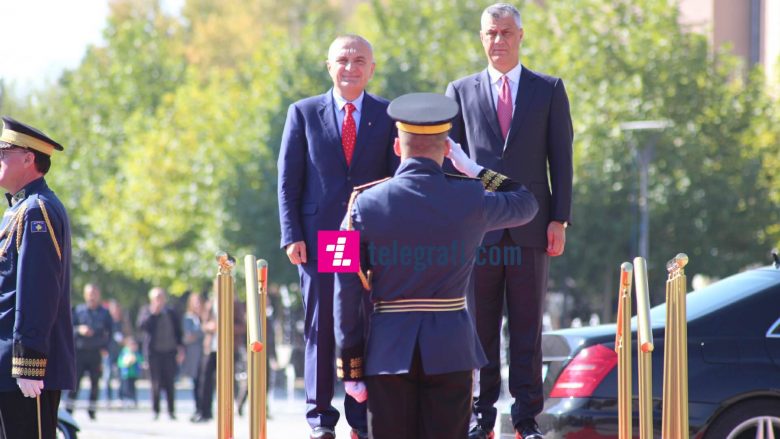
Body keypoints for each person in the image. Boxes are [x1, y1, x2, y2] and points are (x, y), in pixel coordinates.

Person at [334, 93, 539, 439]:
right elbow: (527, 201)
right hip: (453, 349)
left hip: (387, 353)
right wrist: (474, 170)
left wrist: (351, 364)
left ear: (398, 148)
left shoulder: (361, 202)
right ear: (446, 148)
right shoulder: (471, 196)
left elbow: (340, 284)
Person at [445, 4, 574, 438]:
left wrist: (560, 219)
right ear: (481, 38)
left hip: (532, 227)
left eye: (505, 32)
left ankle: (525, 419)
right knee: (478, 329)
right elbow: (450, 165)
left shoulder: (548, 89)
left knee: (526, 329)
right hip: (478, 231)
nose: (497, 40)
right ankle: (481, 417)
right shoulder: (459, 91)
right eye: (490, 33)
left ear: (520, 36)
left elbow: (562, 159)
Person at [277, 33, 398, 439]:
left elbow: (395, 181)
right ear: (329, 66)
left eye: (359, 60)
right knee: (321, 327)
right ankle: (320, 418)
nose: (351, 67)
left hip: (368, 240)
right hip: (321, 237)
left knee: (363, 326)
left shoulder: (387, 114)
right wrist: (291, 234)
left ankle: (360, 418)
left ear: (372, 68)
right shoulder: (304, 113)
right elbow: (288, 181)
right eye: (343, 60)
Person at [0, 116, 75, 438]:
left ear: (29, 158)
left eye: (3, 151)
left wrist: (29, 363)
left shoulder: (37, 210)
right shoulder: (19, 208)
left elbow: (37, 292)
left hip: (25, 371)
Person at [66, 283, 113, 419]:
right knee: (74, 383)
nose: (92, 296)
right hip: (79, 352)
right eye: (90, 293)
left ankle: (92, 412)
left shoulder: (104, 313)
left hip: (95, 352)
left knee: (95, 383)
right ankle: (69, 410)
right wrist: (79, 329)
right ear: (85, 295)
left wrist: (105, 348)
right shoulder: (78, 310)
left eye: (95, 293)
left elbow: (110, 332)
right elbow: (69, 329)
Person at [137, 287, 183, 420]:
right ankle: (155, 410)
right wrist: (153, 313)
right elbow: (141, 327)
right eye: (156, 298)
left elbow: (178, 332)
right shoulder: (146, 311)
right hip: (154, 353)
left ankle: (171, 410)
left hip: (169, 352)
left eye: (161, 297)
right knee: (155, 382)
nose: (159, 300)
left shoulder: (171, 312)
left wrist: (180, 348)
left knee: (170, 382)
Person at [181, 292, 204, 419]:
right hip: (194, 354)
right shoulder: (188, 318)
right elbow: (188, 336)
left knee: (205, 382)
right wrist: (203, 330)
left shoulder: (205, 316)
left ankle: (205, 409)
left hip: (204, 352)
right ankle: (197, 408)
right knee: (196, 381)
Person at [118, 336, 142, 407]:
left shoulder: (136, 353)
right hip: (126, 373)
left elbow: (140, 360)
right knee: (125, 387)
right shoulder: (124, 352)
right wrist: (125, 363)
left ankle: (133, 399)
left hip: (134, 373)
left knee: (133, 387)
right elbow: (120, 361)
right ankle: (124, 398)